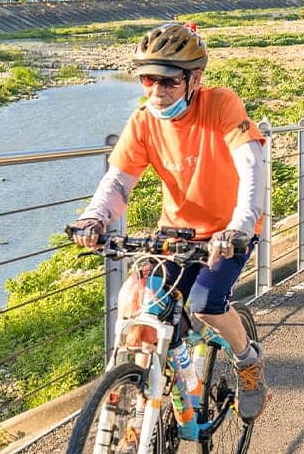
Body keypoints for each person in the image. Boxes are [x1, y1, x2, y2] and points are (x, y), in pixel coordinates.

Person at [69, 21, 269, 421]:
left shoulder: (221, 104)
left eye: (168, 82)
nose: (157, 93)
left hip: (228, 232)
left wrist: (240, 228)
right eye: (147, 80)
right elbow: (118, 181)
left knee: (205, 305)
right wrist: (94, 217)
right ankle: (154, 398)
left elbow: (252, 168)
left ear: (194, 79)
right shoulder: (144, 121)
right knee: (141, 306)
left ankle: (248, 363)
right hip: (176, 233)